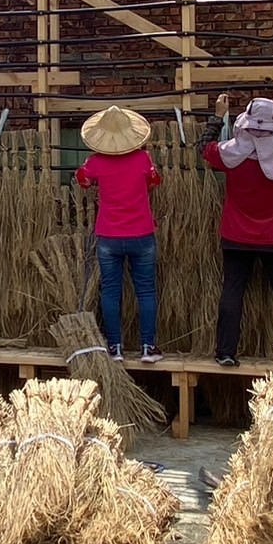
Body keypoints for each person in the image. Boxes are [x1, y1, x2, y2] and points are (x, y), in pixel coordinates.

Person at [198, 95, 273, 367]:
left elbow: (202, 148)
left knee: (232, 291)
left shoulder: (229, 153)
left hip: (236, 236)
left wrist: (217, 116)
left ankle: (225, 352)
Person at [76, 105, 163, 363]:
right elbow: (154, 182)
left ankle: (114, 347)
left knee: (111, 291)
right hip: (142, 233)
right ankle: (148, 347)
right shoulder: (143, 160)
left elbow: (81, 180)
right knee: (146, 291)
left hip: (109, 236)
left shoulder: (95, 163)